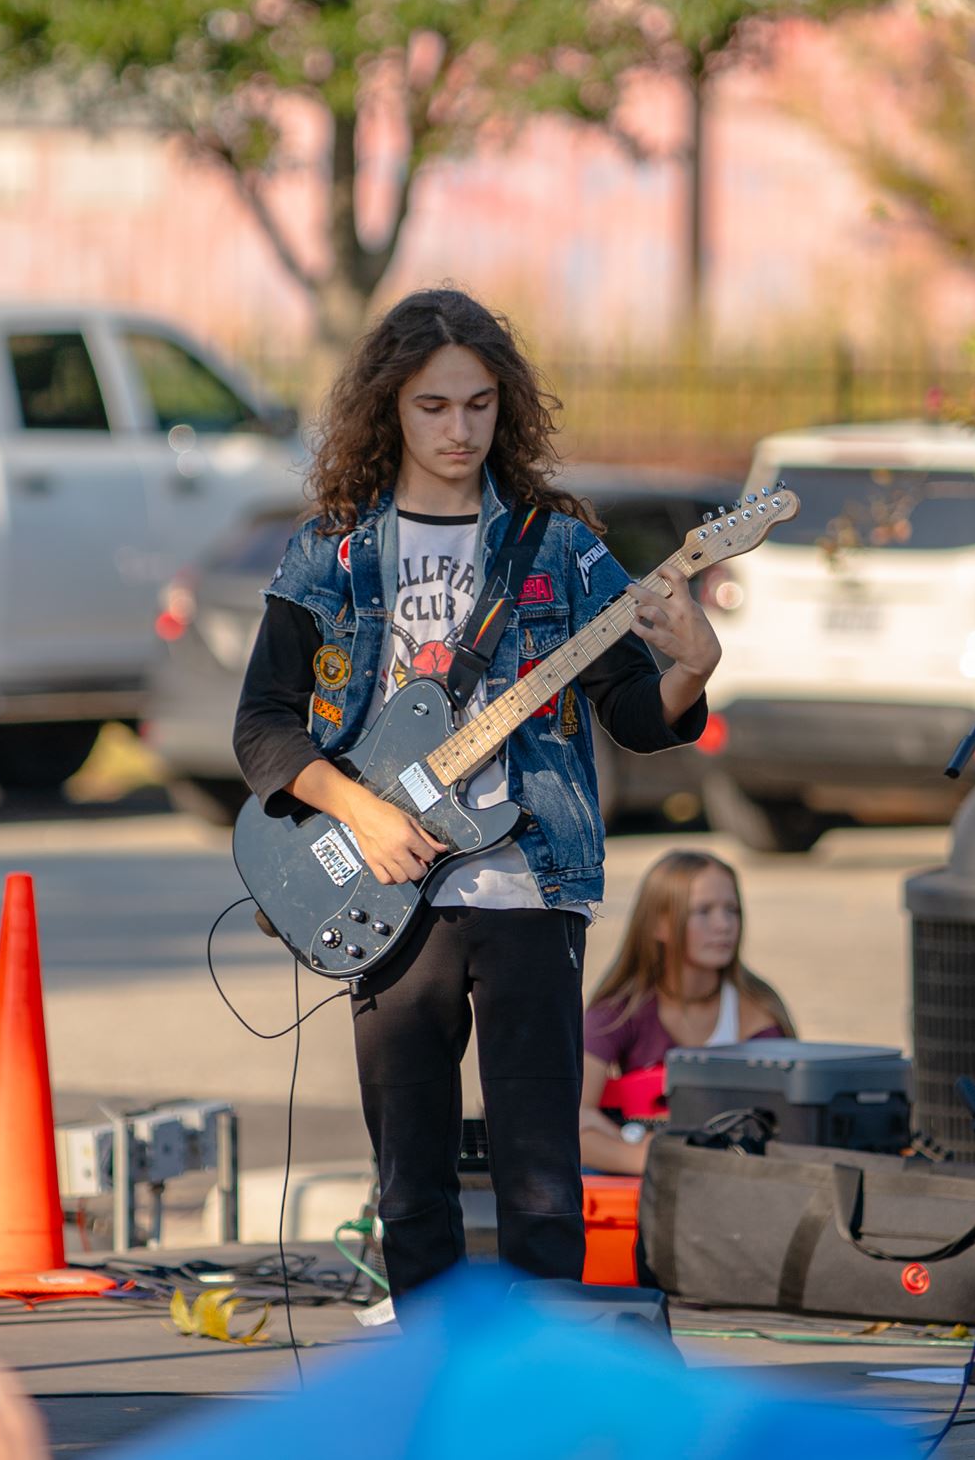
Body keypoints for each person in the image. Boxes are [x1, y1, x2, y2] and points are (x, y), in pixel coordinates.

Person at [233, 288, 719, 1306]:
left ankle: (529, 1410)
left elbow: (632, 709)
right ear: (389, 409)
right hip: (385, 892)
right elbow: (263, 726)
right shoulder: (335, 550)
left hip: (531, 884)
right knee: (410, 1184)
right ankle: (434, 1399)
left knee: (542, 1186)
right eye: (432, 406)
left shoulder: (559, 547)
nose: (458, 429)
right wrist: (361, 811)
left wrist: (689, 666)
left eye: (479, 404)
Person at [579, 850, 795, 1173]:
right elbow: (569, 1118)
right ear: (658, 924)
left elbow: (793, 1125)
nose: (724, 925)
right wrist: (653, 1159)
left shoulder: (759, 1009)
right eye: (703, 911)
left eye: (732, 910)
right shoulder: (620, 1011)